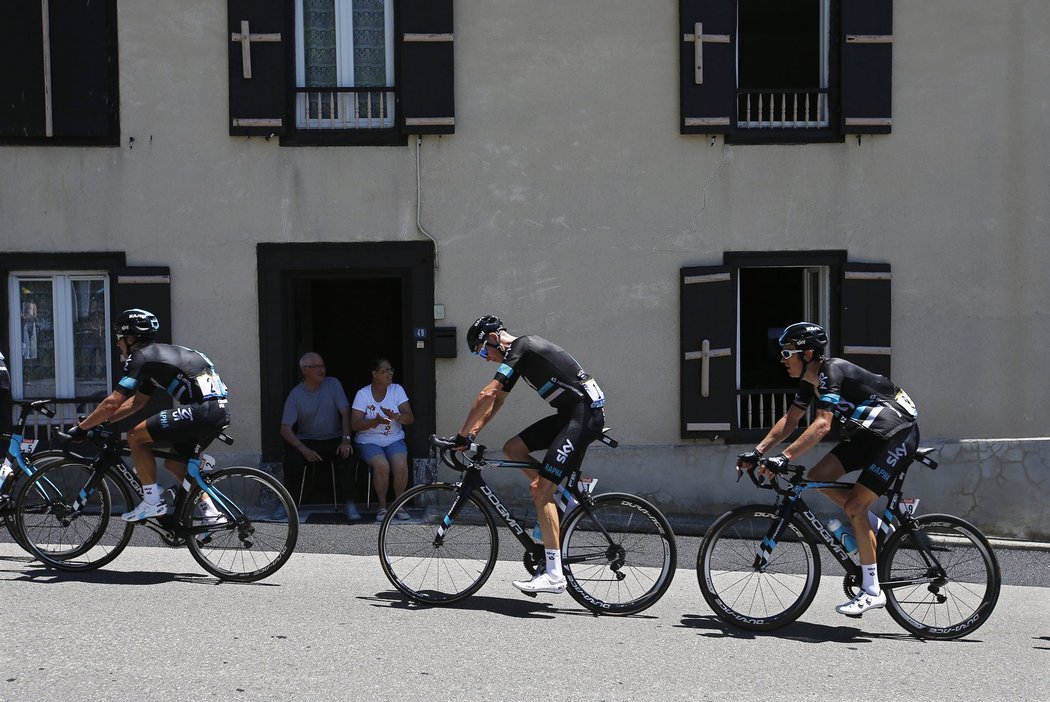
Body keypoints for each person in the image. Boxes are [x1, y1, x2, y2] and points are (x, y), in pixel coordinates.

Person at [736, 322, 919, 617]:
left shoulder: (830, 371)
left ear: (807, 354)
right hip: (869, 434)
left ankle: (872, 590)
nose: (782, 359)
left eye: (787, 352)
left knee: (855, 507)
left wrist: (784, 457)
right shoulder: (810, 381)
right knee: (818, 477)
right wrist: (757, 452)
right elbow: (791, 420)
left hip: (897, 433)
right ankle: (871, 525)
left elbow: (822, 424)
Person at [453, 315, 606, 595]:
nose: (485, 358)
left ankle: (554, 576)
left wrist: (460, 435)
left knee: (540, 491)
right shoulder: (518, 358)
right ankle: (561, 495)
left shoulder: (522, 346)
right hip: (570, 415)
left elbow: (488, 393)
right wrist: (472, 434)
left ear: (494, 337)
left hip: (583, 417)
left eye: (482, 350)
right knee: (514, 449)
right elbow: (497, 400)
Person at [67, 309, 231, 522]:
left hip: (201, 411)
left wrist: (83, 427)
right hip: (217, 412)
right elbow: (137, 403)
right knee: (175, 464)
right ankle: (211, 513)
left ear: (131, 338)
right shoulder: (159, 357)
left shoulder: (141, 357)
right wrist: (103, 422)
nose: (117, 344)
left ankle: (152, 501)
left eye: (119, 338)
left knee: (135, 436)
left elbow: (112, 402)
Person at [280, 352, 361, 521]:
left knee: (349, 455)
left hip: (334, 438)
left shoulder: (333, 384)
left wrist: (346, 439)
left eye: (322, 366)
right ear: (304, 370)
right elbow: (285, 428)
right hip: (307, 440)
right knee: (291, 460)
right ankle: (287, 504)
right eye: (316, 366)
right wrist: (304, 450)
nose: (321, 369)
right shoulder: (296, 394)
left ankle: (350, 503)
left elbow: (346, 412)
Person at [351, 358, 414, 522]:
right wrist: (375, 421)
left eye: (391, 369)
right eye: (385, 370)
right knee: (382, 465)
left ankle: (399, 504)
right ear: (374, 374)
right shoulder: (363, 394)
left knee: (400, 465)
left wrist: (396, 416)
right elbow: (355, 424)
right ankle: (382, 506)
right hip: (368, 441)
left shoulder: (396, 390)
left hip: (394, 439)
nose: (390, 373)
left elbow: (410, 418)